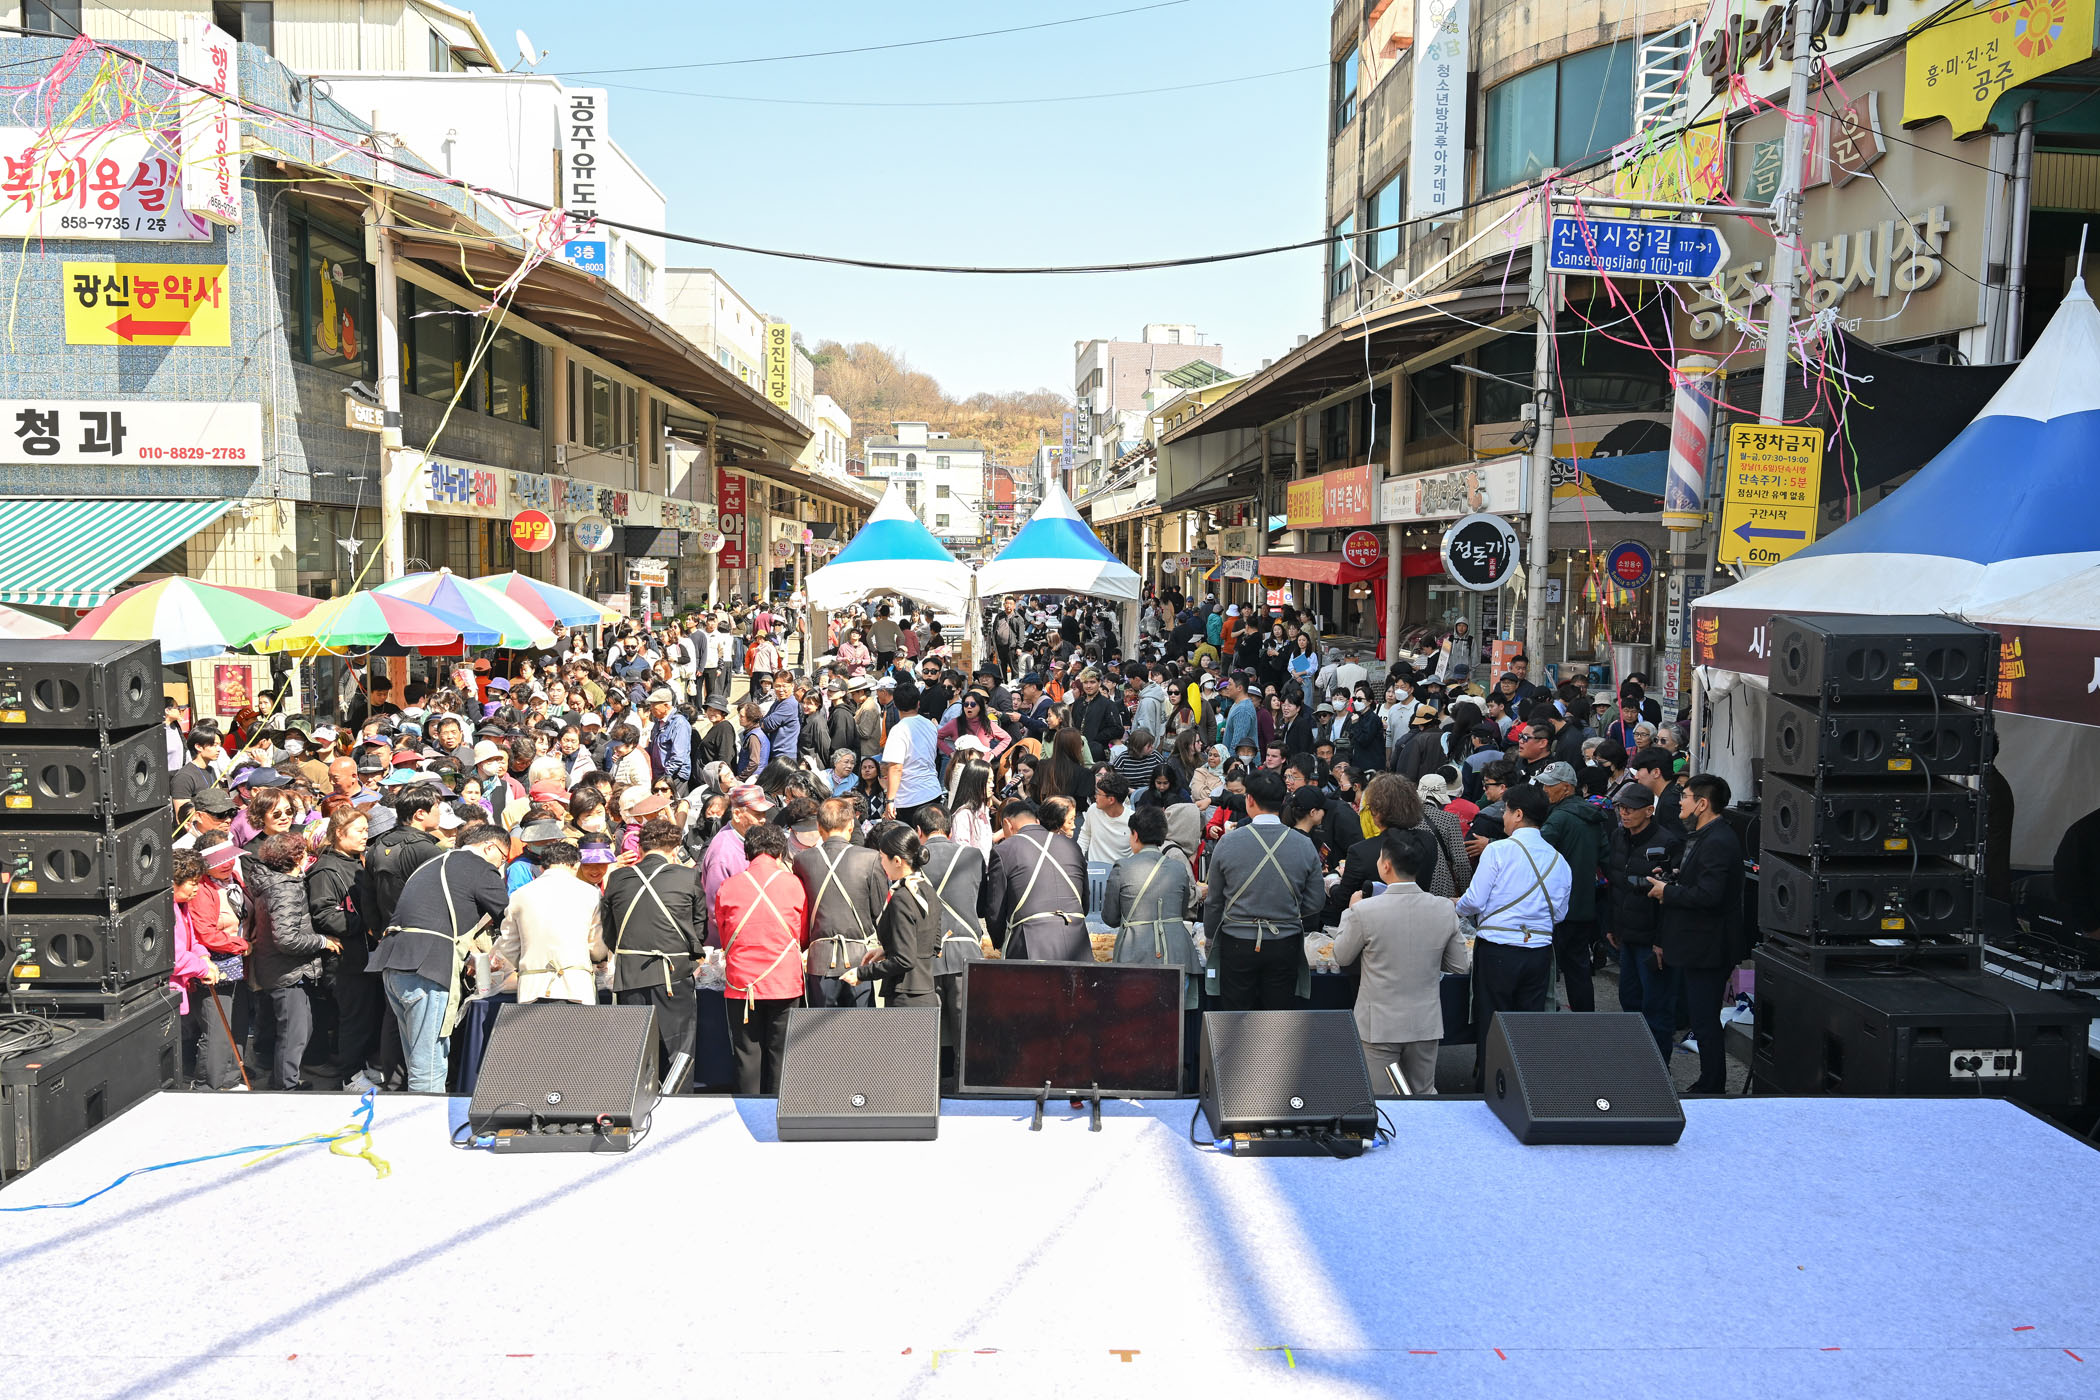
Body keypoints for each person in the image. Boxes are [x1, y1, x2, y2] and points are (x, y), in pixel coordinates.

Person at [369, 822, 512, 1093]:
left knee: (417, 1060)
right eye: (503, 858)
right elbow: (510, 916)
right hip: (427, 969)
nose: (500, 866)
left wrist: (468, 956)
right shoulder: (480, 867)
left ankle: (414, 1114)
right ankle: (425, 1119)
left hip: (394, 964)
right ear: (489, 847)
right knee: (430, 1065)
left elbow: (432, 918)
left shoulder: (433, 863)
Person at [1329, 827, 1470, 1096]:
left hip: (1379, 1024)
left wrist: (1350, 909)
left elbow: (1342, 956)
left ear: (1386, 865)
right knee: (1423, 1094)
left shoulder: (1363, 911)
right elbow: (1459, 965)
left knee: (1384, 1098)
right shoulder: (1443, 908)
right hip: (1424, 1021)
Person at [1456, 784, 1572, 1084]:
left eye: (1506, 811)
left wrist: (1457, 905)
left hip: (1497, 948)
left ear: (1518, 814)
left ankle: (1491, 1086)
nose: (1504, 818)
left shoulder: (1497, 850)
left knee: (1492, 1021)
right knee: (1528, 1024)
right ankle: (1525, 1086)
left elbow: (1474, 901)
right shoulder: (1559, 860)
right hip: (1539, 951)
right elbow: (1559, 914)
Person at [1650, 774, 1744, 1095]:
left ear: (1702, 804)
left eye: (1686, 796)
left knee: (1704, 1021)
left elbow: (1710, 895)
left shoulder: (1718, 840)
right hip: (1698, 944)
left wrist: (1668, 892)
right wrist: (1675, 876)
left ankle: (1712, 1085)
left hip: (1710, 946)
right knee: (1701, 1018)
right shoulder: (1706, 835)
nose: (1680, 802)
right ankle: (1709, 1081)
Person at [1203, 769, 1326, 1011]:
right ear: (1282, 801)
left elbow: (1214, 900)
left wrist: (1210, 937)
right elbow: (1315, 901)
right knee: (1277, 1018)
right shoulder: (1304, 844)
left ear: (1249, 799)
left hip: (1237, 941)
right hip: (1285, 942)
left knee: (1236, 1017)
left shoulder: (1228, 842)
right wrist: (1286, 912)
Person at [600, 816, 708, 1084]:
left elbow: (609, 933)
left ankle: (638, 1103)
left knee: (637, 1051)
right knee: (679, 1051)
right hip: (675, 973)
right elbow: (699, 929)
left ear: (640, 848)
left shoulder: (617, 878)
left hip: (630, 975)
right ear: (675, 850)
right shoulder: (687, 876)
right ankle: (676, 1103)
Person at [714, 821, 807, 1095]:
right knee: (781, 1051)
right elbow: (801, 934)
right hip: (784, 980)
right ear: (781, 851)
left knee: (746, 1053)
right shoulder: (793, 884)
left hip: (743, 983)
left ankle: (749, 1110)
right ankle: (777, 1107)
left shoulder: (729, 886)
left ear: (747, 852)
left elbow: (724, 935)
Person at [1602, 782, 1684, 1060]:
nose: (1624, 813)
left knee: (1657, 1007)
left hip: (1652, 940)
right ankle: (1636, 1062)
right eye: (1621, 808)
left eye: (1631, 809)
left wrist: (1661, 942)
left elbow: (1671, 899)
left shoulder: (1668, 842)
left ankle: (1659, 1067)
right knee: (1629, 1000)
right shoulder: (1618, 836)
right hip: (1626, 935)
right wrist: (1612, 925)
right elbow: (1615, 884)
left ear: (1649, 810)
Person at [246, 833, 334, 1091]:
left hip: (285, 970)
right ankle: (286, 1087)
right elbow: (286, 939)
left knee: (298, 1030)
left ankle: (282, 1080)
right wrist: (322, 941)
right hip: (286, 972)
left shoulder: (278, 883)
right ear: (296, 858)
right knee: (294, 1034)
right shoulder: (284, 889)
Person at [1102, 804, 1200, 1011]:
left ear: (1135, 834)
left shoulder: (1122, 867)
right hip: (1177, 954)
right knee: (1173, 1020)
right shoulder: (1178, 868)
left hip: (1134, 954)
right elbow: (1182, 911)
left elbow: (1110, 917)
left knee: (1135, 1018)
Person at [795, 796, 890, 1009]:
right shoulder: (870, 858)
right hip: (861, 960)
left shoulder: (802, 860)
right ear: (851, 826)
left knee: (822, 1027)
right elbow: (881, 913)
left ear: (819, 827)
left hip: (819, 959)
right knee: (861, 1026)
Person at [492, 840, 608, 1004]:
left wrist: (529, 962)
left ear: (542, 868)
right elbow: (597, 948)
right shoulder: (591, 893)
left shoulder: (520, 894)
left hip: (532, 986)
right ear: (576, 865)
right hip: (577, 985)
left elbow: (508, 943)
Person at [914, 805, 984, 1075]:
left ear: (918, 831)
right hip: (966, 950)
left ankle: (928, 1086)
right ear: (950, 830)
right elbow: (981, 903)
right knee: (966, 1029)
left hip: (924, 955)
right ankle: (966, 1086)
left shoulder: (910, 860)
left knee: (927, 1031)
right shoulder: (973, 856)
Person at [1534, 760, 1608, 1013]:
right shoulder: (1592, 816)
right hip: (1584, 904)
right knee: (1578, 966)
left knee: (1545, 966)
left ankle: (1543, 1019)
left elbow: (1533, 851)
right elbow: (1606, 856)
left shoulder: (1559, 818)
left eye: (1549, 785)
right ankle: (1584, 1020)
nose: (1544, 790)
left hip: (1557, 906)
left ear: (1566, 787)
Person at [983, 797, 1090, 960]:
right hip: (1077, 940)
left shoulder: (1004, 850)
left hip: (1030, 942)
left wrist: (999, 942)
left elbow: (995, 909)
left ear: (1007, 824)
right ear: (1036, 821)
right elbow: (1084, 902)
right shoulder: (1071, 845)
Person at [859, 822, 942, 1007]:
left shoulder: (902, 897)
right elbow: (934, 945)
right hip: (927, 991)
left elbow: (904, 960)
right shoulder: (928, 890)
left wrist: (861, 974)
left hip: (904, 997)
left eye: (882, 858)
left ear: (897, 861)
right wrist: (887, 950)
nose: (881, 864)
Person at [880, 679, 943, 826]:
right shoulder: (929, 725)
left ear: (895, 704)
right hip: (932, 791)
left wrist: (890, 799)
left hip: (910, 798)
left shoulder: (898, 730)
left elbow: (896, 767)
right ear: (918, 704)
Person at [1080, 770, 1133, 866]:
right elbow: (1085, 835)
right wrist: (1079, 858)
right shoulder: (1093, 810)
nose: (1095, 796)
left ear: (1111, 800)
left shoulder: (1132, 820)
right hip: (1095, 869)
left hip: (1121, 871)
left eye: (1099, 793)